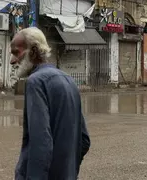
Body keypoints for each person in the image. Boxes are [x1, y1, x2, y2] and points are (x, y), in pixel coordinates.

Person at [10, 27, 90, 180]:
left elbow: (41, 142)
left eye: (16, 52)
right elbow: (84, 140)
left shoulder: (35, 82)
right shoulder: (69, 80)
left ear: (33, 51)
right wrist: (67, 170)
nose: (13, 60)